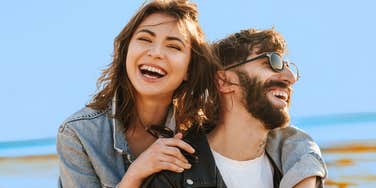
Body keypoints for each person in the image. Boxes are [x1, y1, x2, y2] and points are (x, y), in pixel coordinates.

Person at [56, 0, 220, 187]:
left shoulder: (204, 133)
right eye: (145, 39)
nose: (156, 53)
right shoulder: (79, 134)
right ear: (125, 51)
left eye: (174, 46)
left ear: (189, 70)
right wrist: (136, 173)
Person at [141, 28, 327, 188]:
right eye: (273, 61)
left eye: (287, 66)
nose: (290, 77)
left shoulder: (292, 168)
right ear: (224, 81)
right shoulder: (173, 176)